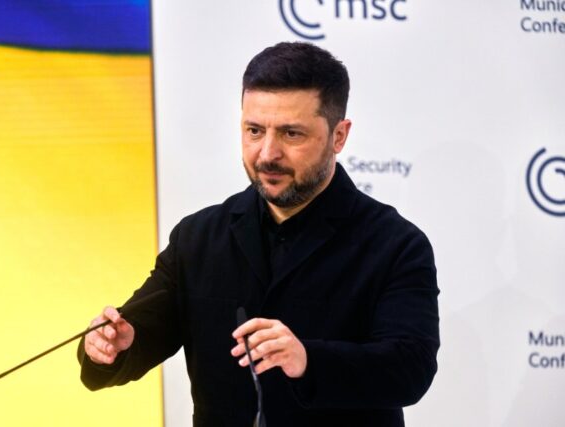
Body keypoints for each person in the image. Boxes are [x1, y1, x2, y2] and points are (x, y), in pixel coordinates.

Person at [78, 41, 440, 427]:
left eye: (291, 134)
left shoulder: (396, 244)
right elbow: (140, 334)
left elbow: (410, 368)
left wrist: (307, 359)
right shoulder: (197, 238)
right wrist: (109, 345)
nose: (267, 153)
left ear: (339, 136)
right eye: (254, 131)